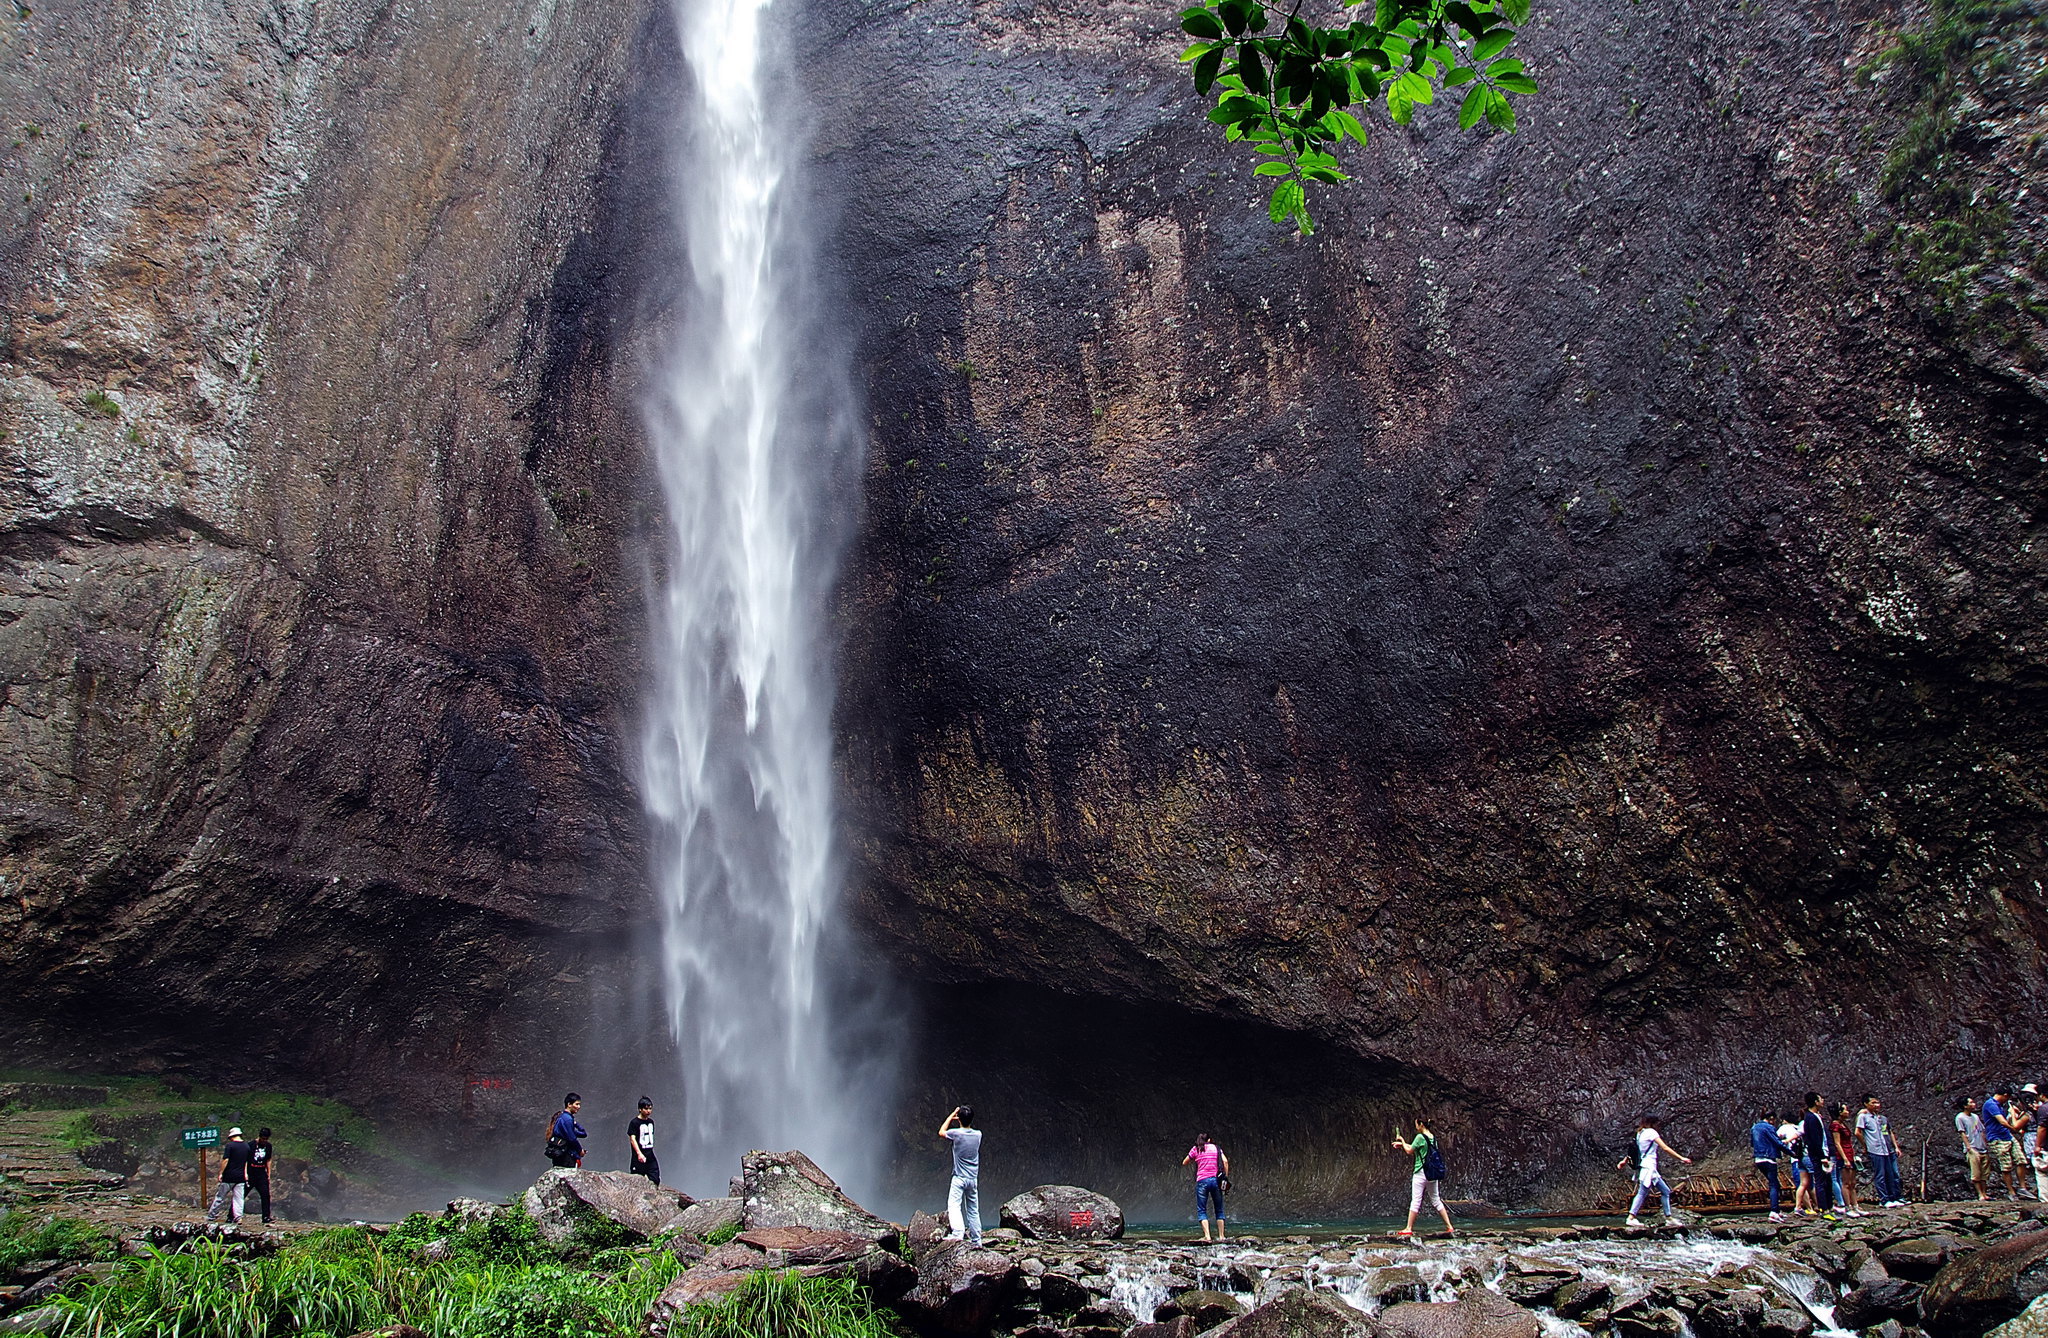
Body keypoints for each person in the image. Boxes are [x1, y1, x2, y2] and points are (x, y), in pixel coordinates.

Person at [1618, 1116, 1691, 1227]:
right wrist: (1681, 1158)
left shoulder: (1640, 1133)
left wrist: (1624, 1161)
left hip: (1646, 1167)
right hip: (1649, 1167)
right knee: (1642, 1192)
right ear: (1653, 1123)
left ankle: (1669, 1218)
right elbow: (1665, 1148)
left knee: (1665, 1191)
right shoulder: (1651, 1133)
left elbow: (1635, 1151)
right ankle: (1631, 1217)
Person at [1392, 1118, 1454, 1239]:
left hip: (1421, 1172)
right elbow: (1419, 1148)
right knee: (1436, 1199)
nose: (1416, 1127)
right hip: (1432, 1173)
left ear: (1421, 1125)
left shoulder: (1420, 1137)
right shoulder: (1432, 1137)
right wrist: (1402, 1145)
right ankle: (1449, 1226)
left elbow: (1410, 1151)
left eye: (1416, 1124)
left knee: (1416, 1200)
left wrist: (1402, 1141)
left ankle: (1408, 1228)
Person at [938, 1105, 983, 1247]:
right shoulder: (978, 1135)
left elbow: (941, 1132)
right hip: (972, 1179)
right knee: (973, 1209)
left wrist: (951, 1115)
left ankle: (958, 1233)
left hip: (959, 1178)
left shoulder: (956, 1134)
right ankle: (977, 1240)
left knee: (954, 1205)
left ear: (959, 1119)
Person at [1857, 1094, 1905, 1207]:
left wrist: (1895, 1146)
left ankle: (1893, 1197)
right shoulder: (1863, 1117)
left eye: (1877, 1102)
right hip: (1875, 1150)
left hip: (1886, 1149)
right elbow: (1857, 1132)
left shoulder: (1879, 1118)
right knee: (1880, 1175)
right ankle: (1884, 1199)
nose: (1876, 1105)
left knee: (1890, 1174)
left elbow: (1889, 1132)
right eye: (1873, 1103)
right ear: (1866, 1104)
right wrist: (1866, 1146)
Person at [1182, 1134, 1230, 1242]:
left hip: (1202, 1181)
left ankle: (1207, 1236)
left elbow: (1184, 1162)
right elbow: (1225, 1162)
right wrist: (1225, 1177)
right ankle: (1222, 1236)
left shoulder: (1196, 1149)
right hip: (1215, 1181)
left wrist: (1197, 1159)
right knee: (1219, 1209)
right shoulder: (1216, 1148)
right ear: (1209, 1140)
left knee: (1202, 1210)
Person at [205, 1127, 256, 1225]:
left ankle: (212, 1215)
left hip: (229, 1176)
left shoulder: (230, 1146)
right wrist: (245, 1174)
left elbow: (226, 1160)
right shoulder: (246, 1146)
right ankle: (238, 1217)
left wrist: (221, 1173)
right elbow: (246, 1162)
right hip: (240, 1177)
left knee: (220, 1197)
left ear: (232, 1136)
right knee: (239, 1199)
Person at [1750, 1107, 1791, 1222]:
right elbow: (1778, 1143)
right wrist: (1792, 1154)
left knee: (1775, 1184)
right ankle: (1774, 1212)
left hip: (1758, 1159)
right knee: (1774, 1184)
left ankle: (1776, 1210)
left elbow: (1752, 1143)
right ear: (1771, 1118)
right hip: (1769, 1158)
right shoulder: (1769, 1127)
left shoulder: (1754, 1128)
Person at [1984, 1087, 2026, 1200]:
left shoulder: (2000, 1105)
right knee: (2006, 1166)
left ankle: (2023, 1188)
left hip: (2007, 1135)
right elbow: (2001, 1121)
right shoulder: (1991, 1104)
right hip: (1997, 1138)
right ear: (2005, 1094)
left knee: (2021, 1160)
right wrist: (2014, 1128)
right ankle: (2011, 1192)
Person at [1801, 1092, 1838, 1219]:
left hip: (1824, 1152)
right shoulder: (1810, 1118)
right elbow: (1814, 1139)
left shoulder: (1817, 1116)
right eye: (1821, 1099)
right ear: (1816, 1102)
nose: (1823, 1101)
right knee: (1821, 1181)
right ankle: (1824, 1209)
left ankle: (1830, 1206)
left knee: (1827, 1181)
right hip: (1818, 1155)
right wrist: (1821, 1156)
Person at [1832, 1103, 1864, 1218]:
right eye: (1845, 1110)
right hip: (1843, 1155)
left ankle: (1855, 1205)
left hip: (1850, 1153)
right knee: (1845, 1183)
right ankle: (1847, 1206)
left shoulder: (1843, 1124)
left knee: (1852, 1182)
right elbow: (1837, 1143)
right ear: (1839, 1112)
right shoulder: (1835, 1125)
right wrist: (1844, 1158)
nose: (1847, 1112)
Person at [1957, 1096, 1990, 1200]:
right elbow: (1962, 1133)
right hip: (1972, 1147)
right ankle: (1980, 1194)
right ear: (1965, 1106)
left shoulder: (1975, 1116)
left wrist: (1986, 1144)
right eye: (1971, 1102)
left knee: (1985, 1173)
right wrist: (1969, 1148)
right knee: (1976, 1173)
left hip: (1982, 1146)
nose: (1974, 1104)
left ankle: (1985, 1193)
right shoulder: (1960, 1117)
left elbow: (1982, 1130)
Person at [547, 1093, 587, 1169]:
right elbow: (572, 1138)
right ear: (569, 1104)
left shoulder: (562, 1117)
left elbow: (583, 1134)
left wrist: (575, 1123)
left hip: (559, 1153)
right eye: (577, 1104)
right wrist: (580, 1150)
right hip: (566, 1155)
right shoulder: (567, 1119)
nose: (579, 1107)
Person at [626, 1097, 659, 1186]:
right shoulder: (634, 1122)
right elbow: (632, 1139)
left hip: (650, 1155)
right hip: (639, 1157)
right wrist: (639, 1153)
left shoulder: (651, 1122)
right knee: (636, 1181)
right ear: (640, 1109)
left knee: (655, 1179)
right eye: (646, 1108)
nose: (648, 1111)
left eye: (650, 1108)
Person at [248, 1127, 276, 1225]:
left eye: (266, 1139)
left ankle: (266, 1216)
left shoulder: (268, 1146)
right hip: (251, 1171)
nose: (264, 1141)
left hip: (261, 1172)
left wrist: (268, 1173)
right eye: (263, 1139)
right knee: (242, 1194)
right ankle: (232, 1215)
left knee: (265, 1195)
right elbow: (245, 1160)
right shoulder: (251, 1145)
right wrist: (245, 1174)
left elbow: (268, 1159)